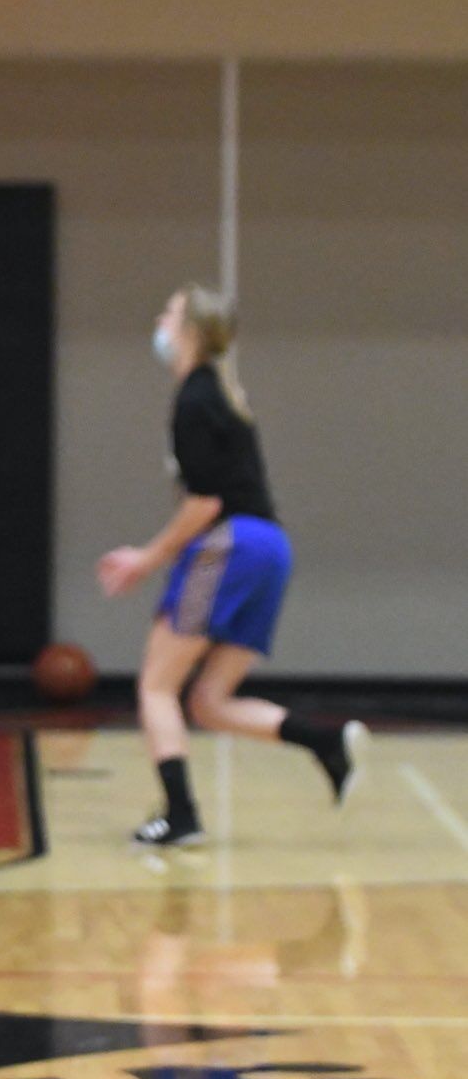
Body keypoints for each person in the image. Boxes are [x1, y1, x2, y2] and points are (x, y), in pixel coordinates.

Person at [97, 285, 367, 849]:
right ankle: (327, 743)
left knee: (156, 687)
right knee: (209, 702)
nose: (159, 320)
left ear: (189, 330)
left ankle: (181, 816)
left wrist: (145, 559)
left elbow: (204, 504)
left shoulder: (194, 400)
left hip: (230, 545)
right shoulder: (219, 395)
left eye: (169, 313)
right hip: (270, 546)